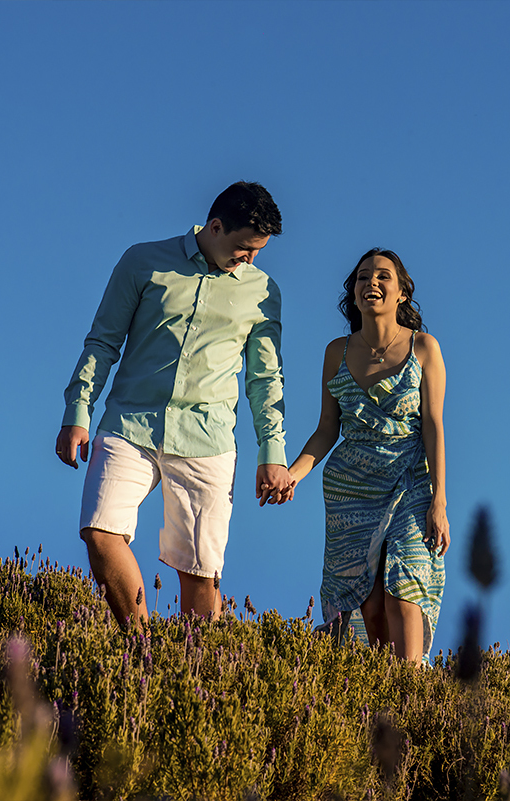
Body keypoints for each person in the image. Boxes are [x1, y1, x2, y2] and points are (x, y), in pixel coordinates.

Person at [55, 181, 293, 627]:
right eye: (244, 248)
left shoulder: (263, 291)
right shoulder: (142, 261)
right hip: (129, 424)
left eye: (258, 252)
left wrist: (272, 452)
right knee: (99, 532)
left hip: (209, 441)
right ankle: (141, 653)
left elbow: (265, 379)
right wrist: (78, 412)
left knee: (199, 576)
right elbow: (103, 341)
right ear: (215, 226)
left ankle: (191, 677)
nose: (251, 259)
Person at [288, 248, 449, 662]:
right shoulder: (335, 352)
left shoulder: (424, 349)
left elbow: (432, 424)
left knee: (404, 588)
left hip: (410, 479)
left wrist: (439, 501)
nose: (371, 283)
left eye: (382, 276)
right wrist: (293, 474)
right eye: (362, 277)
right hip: (351, 491)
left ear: (401, 294)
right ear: (354, 293)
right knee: (369, 602)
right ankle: (377, 694)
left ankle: (413, 693)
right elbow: (327, 429)